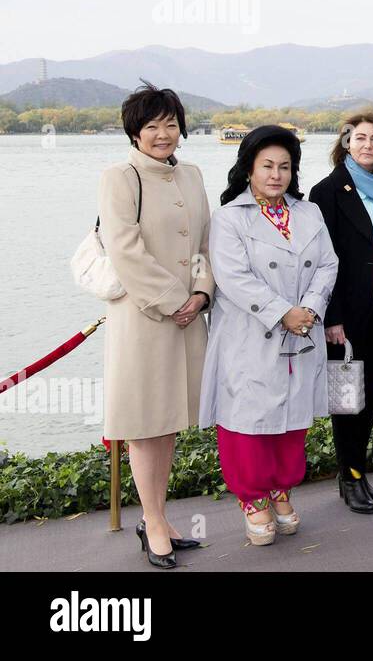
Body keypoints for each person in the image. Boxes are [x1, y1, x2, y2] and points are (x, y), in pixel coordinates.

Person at [201, 125, 339, 545]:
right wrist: (283, 313)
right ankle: (252, 498)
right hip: (251, 335)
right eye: (267, 166)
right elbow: (233, 278)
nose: (276, 175)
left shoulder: (308, 212)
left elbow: (329, 264)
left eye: (284, 166)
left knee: (289, 420)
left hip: (301, 333)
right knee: (249, 419)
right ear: (248, 169)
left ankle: (281, 487)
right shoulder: (228, 218)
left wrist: (311, 309)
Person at [98, 82, 214, 568]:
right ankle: (153, 524)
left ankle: (158, 518)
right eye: (152, 126)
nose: (163, 134)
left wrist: (202, 292)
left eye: (170, 124)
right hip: (144, 321)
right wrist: (174, 301)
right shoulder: (118, 178)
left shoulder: (191, 174)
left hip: (187, 317)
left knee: (168, 423)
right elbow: (125, 251)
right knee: (146, 425)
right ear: (134, 131)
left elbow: (206, 242)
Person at [309, 111, 373, 514]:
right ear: (346, 142)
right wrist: (331, 317)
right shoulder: (327, 192)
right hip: (347, 316)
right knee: (347, 399)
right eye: (360, 138)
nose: (367, 145)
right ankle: (349, 477)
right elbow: (319, 260)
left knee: (367, 398)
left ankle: (357, 471)